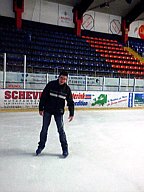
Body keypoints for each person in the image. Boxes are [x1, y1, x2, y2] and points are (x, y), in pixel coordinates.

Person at [36, 71, 74, 157]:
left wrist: (71, 113)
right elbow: (43, 96)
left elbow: (70, 102)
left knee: (61, 130)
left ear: (66, 80)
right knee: (44, 129)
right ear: (58, 77)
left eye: (65, 79)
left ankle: (65, 149)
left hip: (58, 112)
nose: (62, 80)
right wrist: (41, 108)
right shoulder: (51, 84)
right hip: (48, 110)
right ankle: (41, 146)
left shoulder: (67, 89)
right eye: (61, 78)